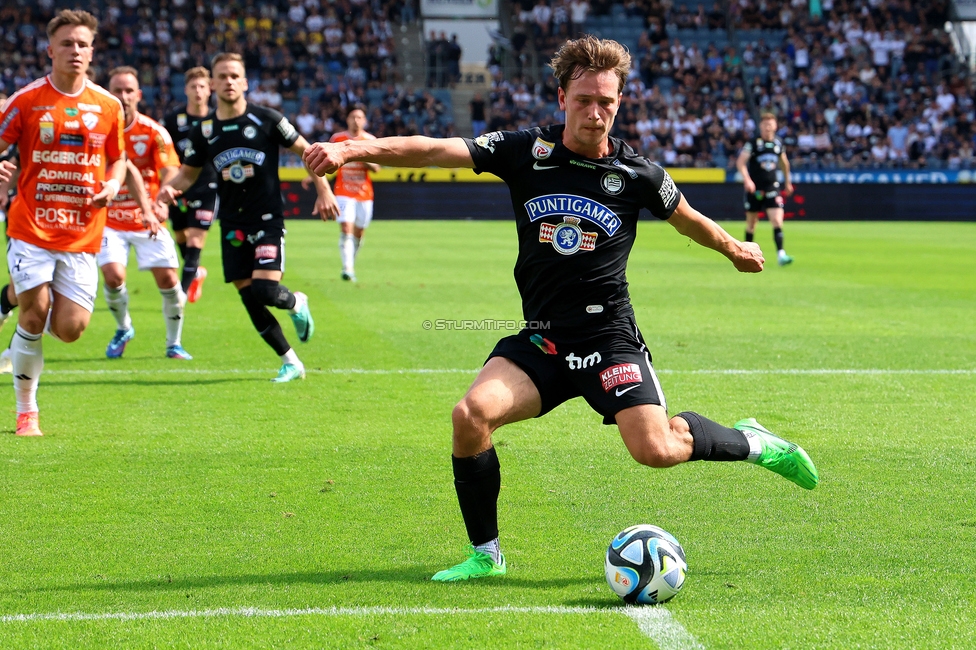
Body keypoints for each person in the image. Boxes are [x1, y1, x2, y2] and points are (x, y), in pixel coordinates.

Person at [305, 36, 819, 582]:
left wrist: (735, 248)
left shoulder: (637, 173)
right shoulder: (526, 151)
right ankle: (487, 555)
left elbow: (688, 217)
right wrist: (352, 149)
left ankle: (756, 443)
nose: (595, 113)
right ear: (561, 99)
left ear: (619, 103)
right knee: (469, 417)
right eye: (584, 101)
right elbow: (436, 149)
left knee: (658, 450)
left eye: (607, 102)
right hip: (544, 338)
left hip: (608, 341)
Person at [156, 53, 339, 383]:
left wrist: (323, 191)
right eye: (222, 76)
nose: (228, 81)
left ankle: (296, 302)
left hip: (267, 219)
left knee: (265, 291)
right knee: (247, 294)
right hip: (231, 224)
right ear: (212, 84)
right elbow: (186, 175)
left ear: (244, 82)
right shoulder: (205, 130)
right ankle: (291, 362)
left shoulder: (267, 119)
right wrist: (166, 192)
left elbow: (308, 151)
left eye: (234, 76)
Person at [0, 9, 126, 436]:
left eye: (83, 44)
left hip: (82, 232)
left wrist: (112, 185)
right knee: (34, 314)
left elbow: (119, 158)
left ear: (92, 52)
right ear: (50, 50)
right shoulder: (26, 100)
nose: (75, 51)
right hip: (31, 227)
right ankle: (26, 412)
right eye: (67, 44)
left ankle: (17, 324)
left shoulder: (108, 106)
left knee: (70, 329)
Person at [99, 66, 190, 360]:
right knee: (113, 276)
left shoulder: (153, 131)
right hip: (109, 218)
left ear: (138, 95)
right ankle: (124, 327)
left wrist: (162, 199)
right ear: (107, 95)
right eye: (117, 91)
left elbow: (171, 170)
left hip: (146, 217)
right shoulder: (98, 131)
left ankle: (173, 343)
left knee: (168, 281)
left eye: (128, 91)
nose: (123, 96)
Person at [162, 66, 219, 303]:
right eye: (193, 86)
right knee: (181, 238)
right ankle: (196, 272)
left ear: (209, 90)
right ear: (186, 89)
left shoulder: (217, 120)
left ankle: (181, 296)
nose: (198, 91)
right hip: (179, 186)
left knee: (196, 241)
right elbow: (166, 155)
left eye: (202, 86)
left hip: (208, 187)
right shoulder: (173, 120)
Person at [303, 104, 378, 282]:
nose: (356, 120)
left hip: (364, 193)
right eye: (353, 117)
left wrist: (360, 155)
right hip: (343, 191)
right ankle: (347, 268)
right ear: (347, 119)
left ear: (365, 121)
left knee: (359, 233)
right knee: (346, 229)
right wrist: (313, 176)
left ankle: (350, 261)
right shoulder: (338, 139)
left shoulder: (370, 140)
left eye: (359, 117)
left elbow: (376, 168)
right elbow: (329, 163)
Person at [737, 112, 794, 266]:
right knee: (751, 223)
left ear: (775, 126)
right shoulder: (754, 143)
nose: (768, 127)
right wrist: (747, 180)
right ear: (761, 126)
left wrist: (788, 182)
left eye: (770, 124)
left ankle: (781, 254)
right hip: (755, 189)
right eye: (765, 124)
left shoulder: (778, 144)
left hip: (772, 187)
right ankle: (745, 255)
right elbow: (741, 162)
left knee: (777, 220)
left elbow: (784, 163)